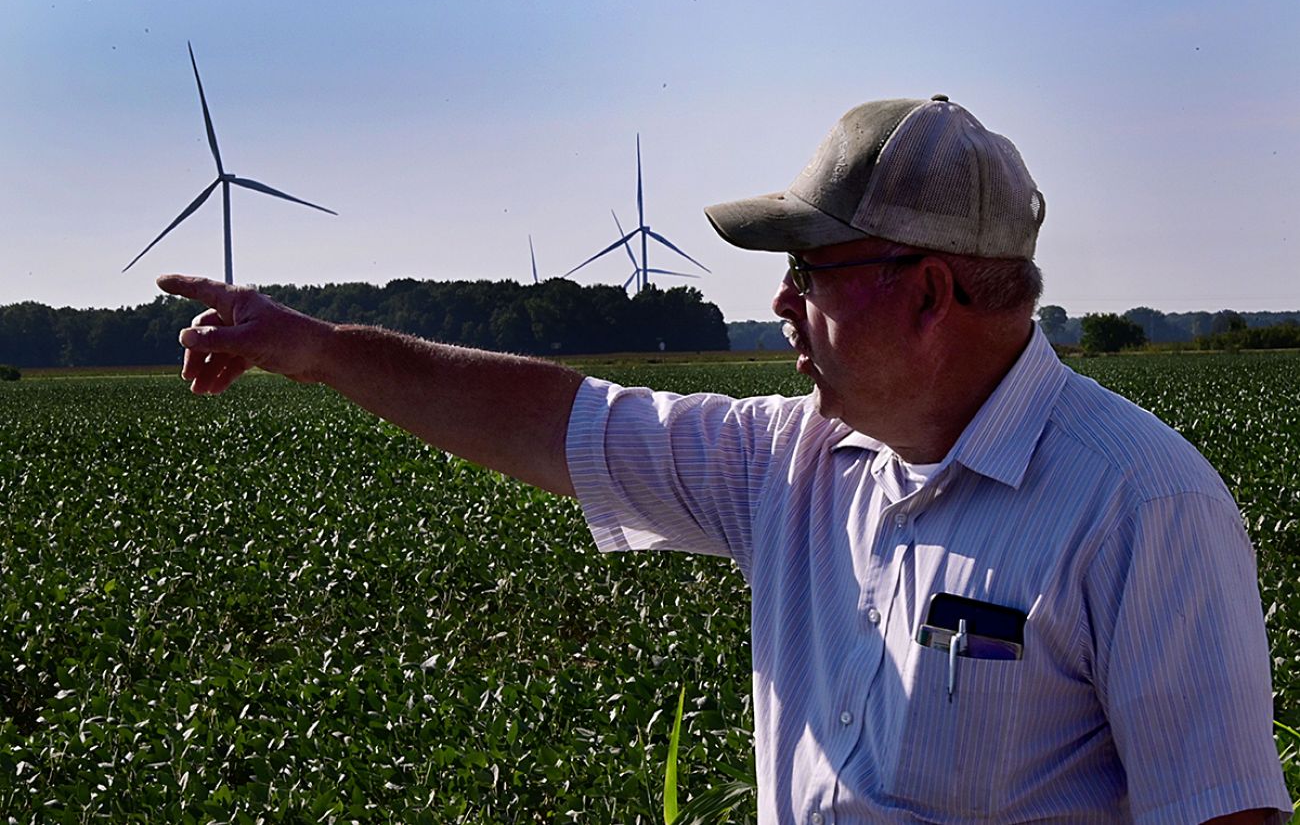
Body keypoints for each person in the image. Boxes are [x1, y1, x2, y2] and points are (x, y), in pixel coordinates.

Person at [158, 95, 1292, 824]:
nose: (780, 301)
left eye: (810, 271)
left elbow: (1221, 816)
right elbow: (552, 417)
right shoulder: (785, 463)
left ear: (930, 291)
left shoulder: (1140, 504)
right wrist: (317, 350)